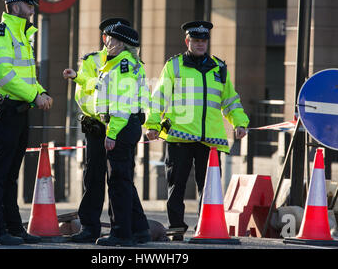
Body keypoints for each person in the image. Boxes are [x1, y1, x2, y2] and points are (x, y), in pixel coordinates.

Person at [145, 20, 249, 240]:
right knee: (177, 184)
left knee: (209, 187)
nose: (201, 44)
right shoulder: (174, 66)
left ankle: (206, 226)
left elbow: (230, 100)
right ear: (187, 41)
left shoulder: (218, 68)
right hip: (179, 136)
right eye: (196, 40)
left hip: (210, 140)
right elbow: (158, 98)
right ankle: (176, 228)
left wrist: (239, 122)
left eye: (204, 41)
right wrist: (152, 125)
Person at [0, 0, 53, 245]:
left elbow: (27, 77)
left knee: (11, 174)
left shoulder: (22, 35)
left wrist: (40, 91)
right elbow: (4, 75)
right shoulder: (1, 34)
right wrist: (36, 97)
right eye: (28, 4)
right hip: (8, 110)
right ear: (14, 7)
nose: (33, 8)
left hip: (21, 111)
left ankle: (13, 229)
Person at [62, 17, 131, 243]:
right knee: (93, 177)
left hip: (118, 123)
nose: (116, 42)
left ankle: (126, 229)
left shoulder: (127, 61)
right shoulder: (92, 60)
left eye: (122, 38)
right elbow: (87, 90)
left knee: (119, 178)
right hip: (96, 125)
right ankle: (89, 228)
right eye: (113, 38)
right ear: (105, 38)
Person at [93, 23, 151, 246]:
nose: (106, 42)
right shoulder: (124, 64)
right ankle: (139, 229)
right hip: (128, 124)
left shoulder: (122, 66)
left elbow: (121, 104)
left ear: (121, 43)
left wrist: (112, 133)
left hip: (122, 126)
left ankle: (121, 233)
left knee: (118, 182)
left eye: (111, 39)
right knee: (124, 179)